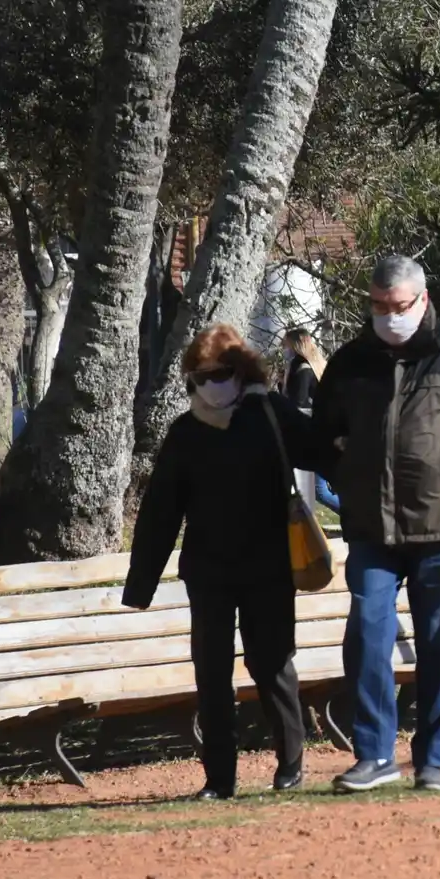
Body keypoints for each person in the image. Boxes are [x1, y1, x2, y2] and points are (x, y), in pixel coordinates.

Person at [313, 255, 440, 794]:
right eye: (378, 307)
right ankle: (374, 755)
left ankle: (433, 759)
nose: (388, 316)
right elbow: (322, 434)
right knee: (366, 635)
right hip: (371, 530)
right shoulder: (351, 362)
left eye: (398, 306)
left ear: (422, 299)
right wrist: (346, 463)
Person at [124, 324, 321, 800]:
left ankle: (291, 761)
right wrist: (141, 585)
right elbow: (160, 512)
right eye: (203, 374)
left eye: (223, 372)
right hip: (209, 572)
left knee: (272, 664)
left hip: (270, 567)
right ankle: (220, 778)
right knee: (211, 674)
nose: (213, 381)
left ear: (242, 371)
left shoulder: (273, 413)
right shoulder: (186, 432)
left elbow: (324, 451)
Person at [279, 328, 340, 513]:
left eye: (285, 345)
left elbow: (299, 402)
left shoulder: (301, 367)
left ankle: (355, 516)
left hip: (309, 435)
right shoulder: (312, 365)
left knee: (318, 490)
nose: (283, 349)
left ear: (295, 345)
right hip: (318, 432)